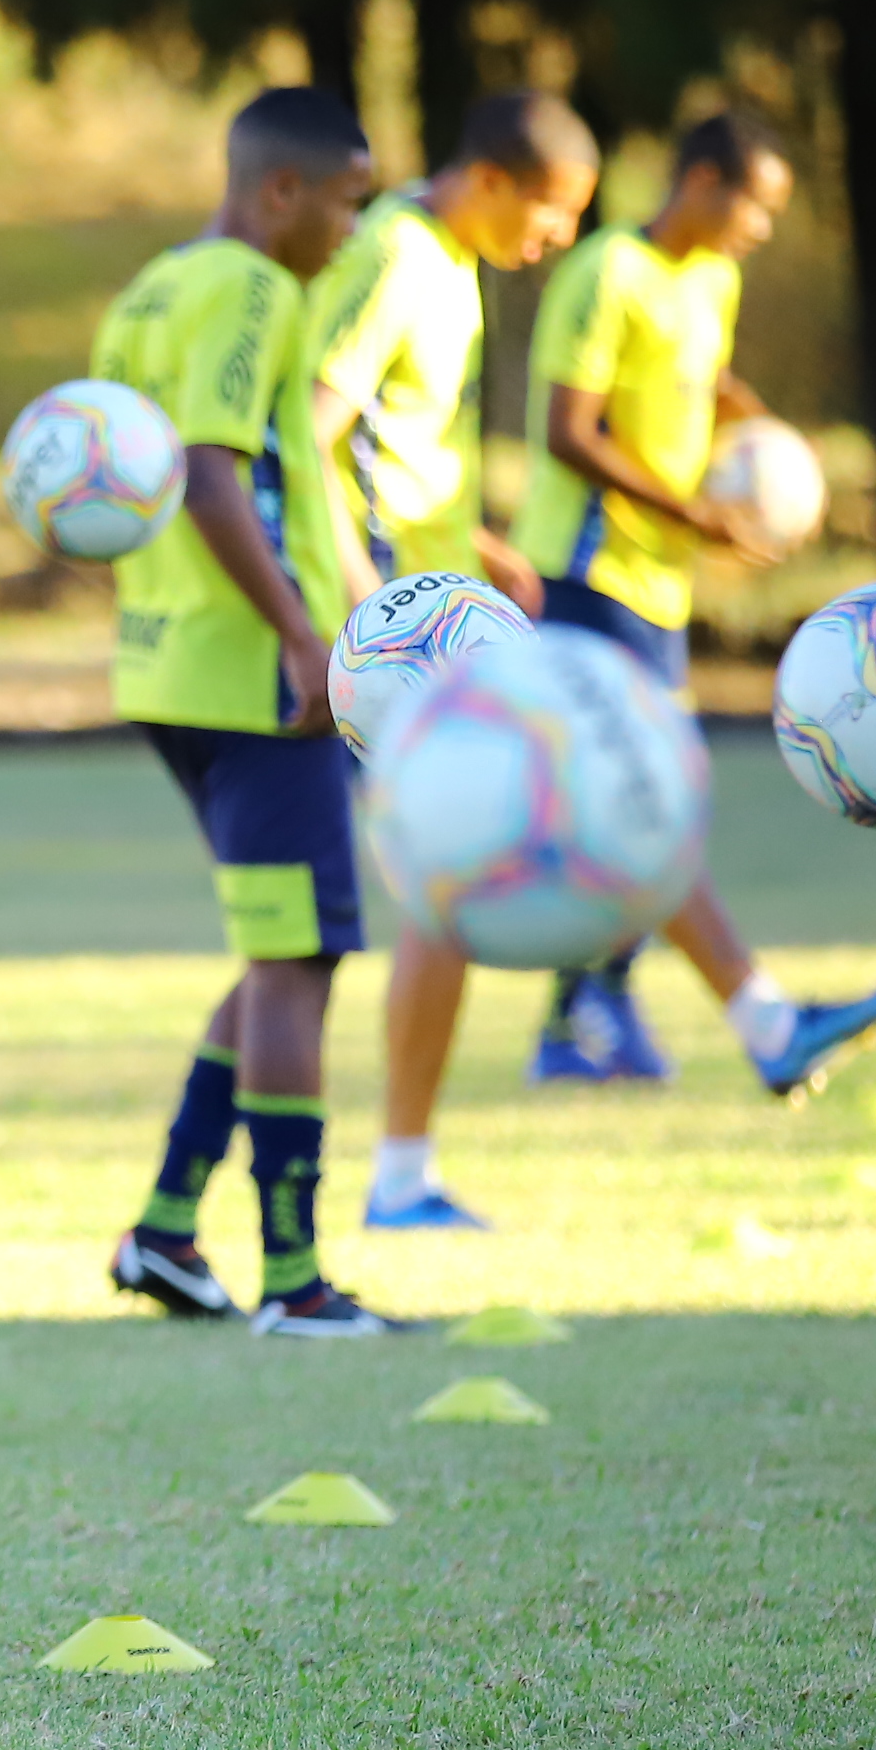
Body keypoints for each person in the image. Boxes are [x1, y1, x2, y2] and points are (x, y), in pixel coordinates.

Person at [92, 87, 408, 1336]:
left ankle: (166, 1228)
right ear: (282, 190)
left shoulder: (150, 288)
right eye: (348, 199)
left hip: (167, 663)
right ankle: (293, 1276)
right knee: (299, 957)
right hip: (250, 677)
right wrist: (299, 635)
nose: (351, 226)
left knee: (278, 946)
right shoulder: (254, 289)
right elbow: (215, 474)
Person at [511, 113, 876, 1094]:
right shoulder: (605, 271)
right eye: (755, 203)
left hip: (653, 586)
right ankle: (755, 1020)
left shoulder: (709, 280)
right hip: (579, 575)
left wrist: (763, 434)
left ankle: (579, 1012)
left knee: (635, 803)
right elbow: (568, 431)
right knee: (651, 801)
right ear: (696, 180)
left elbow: (698, 371)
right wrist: (697, 512)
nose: (762, 228)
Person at [300, 89, 603, 1234]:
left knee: (438, 894)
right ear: (487, 178)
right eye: (552, 209)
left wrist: (470, 547)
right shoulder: (396, 257)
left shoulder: (437, 257)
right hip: (402, 652)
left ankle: (397, 1169)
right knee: (434, 891)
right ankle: (395, 1174)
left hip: (434, 621)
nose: (558, 237)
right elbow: (316, 429)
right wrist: (360, 616)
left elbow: (394, 445)